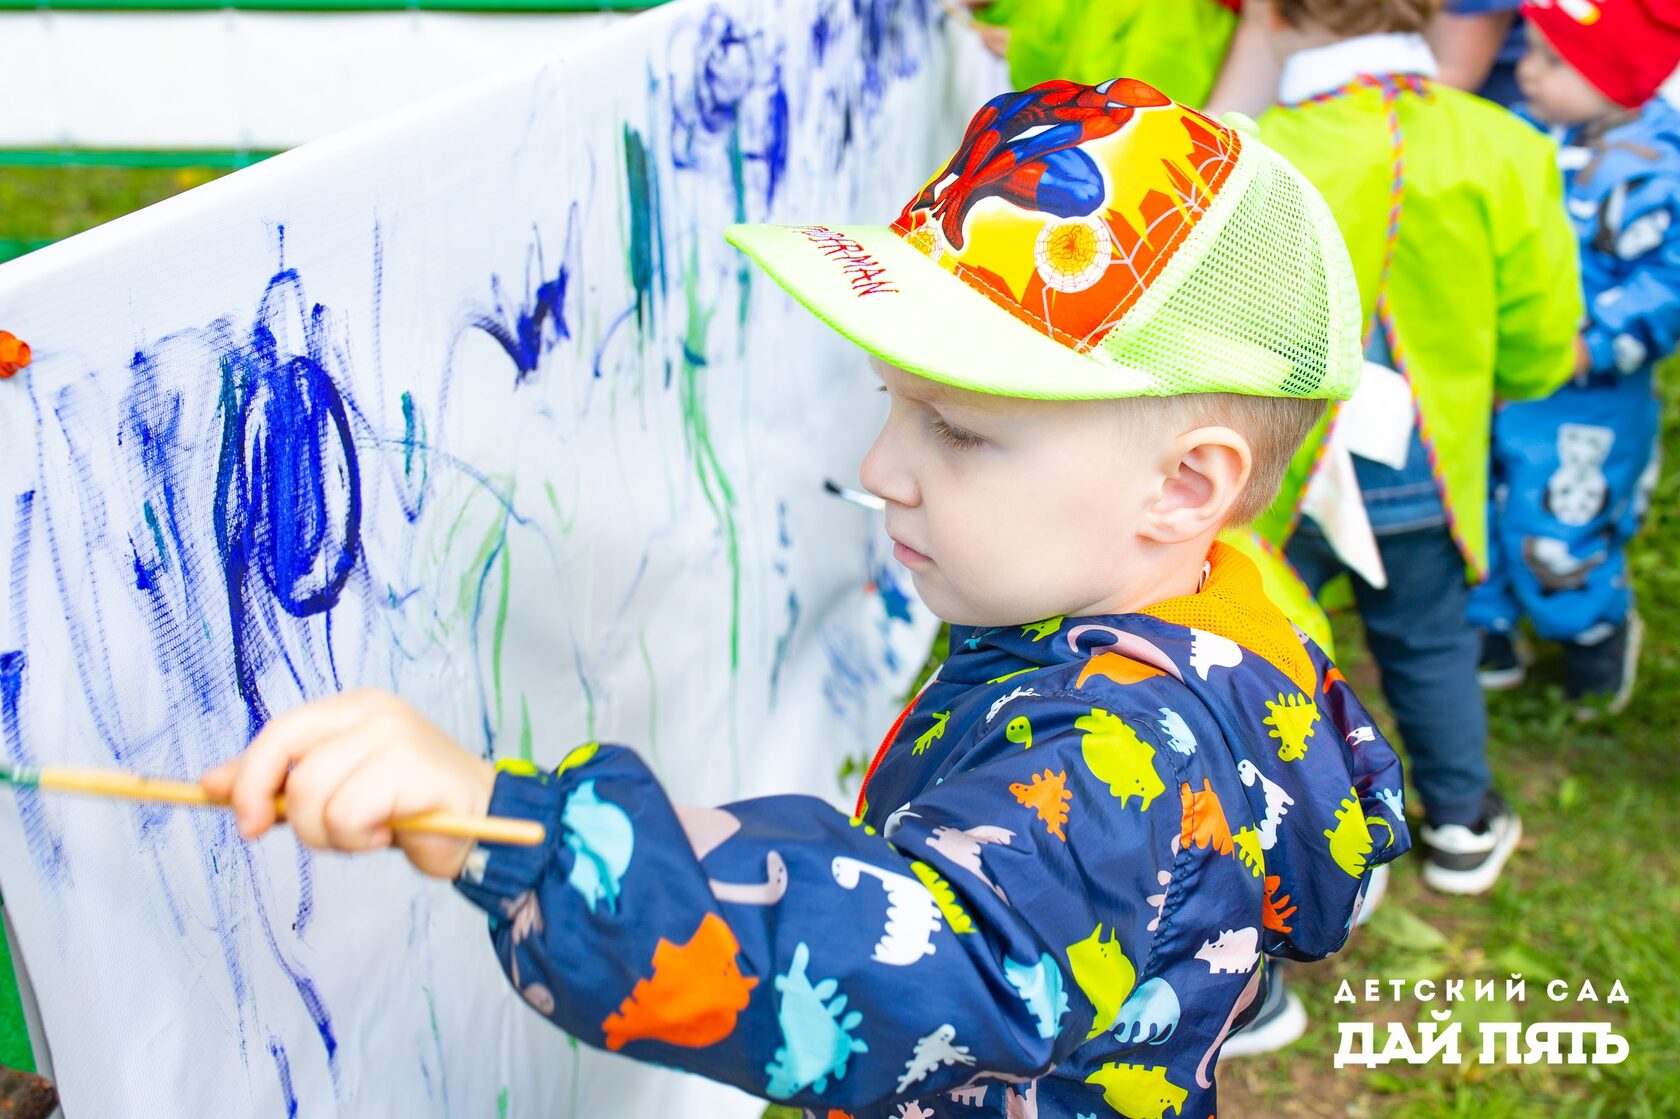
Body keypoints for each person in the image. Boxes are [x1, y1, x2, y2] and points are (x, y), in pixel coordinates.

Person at [203, 81, 1410, 1117]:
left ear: (1185, 485)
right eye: (893, 402)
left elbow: (924, 965)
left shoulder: (1122, 749)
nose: (885, 467)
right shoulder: (1206, 605)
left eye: (958, 431)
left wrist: (515, 833)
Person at [1245, 0, 1583, 897]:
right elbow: (1541, 339)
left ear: (1278, 14)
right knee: (1431, 644)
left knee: (1258, 655)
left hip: (1281, 462)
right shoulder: (1502, 143)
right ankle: (1462, 823)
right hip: (1424, 462)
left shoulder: (1257, 149)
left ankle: (1278, 851)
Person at [1470, 0, 1680, 716]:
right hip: (1499, 375)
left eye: (1553, 60)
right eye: (1529, 50)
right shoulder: (1519, 135)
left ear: (1618, 77)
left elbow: (1668, 281)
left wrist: (1592, 343)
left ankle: (1591, 629)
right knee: (1476, 500)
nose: (1526, 70)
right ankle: (1489, 628)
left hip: (1588, 395)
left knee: (1561, 514)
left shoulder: (1657, 164)